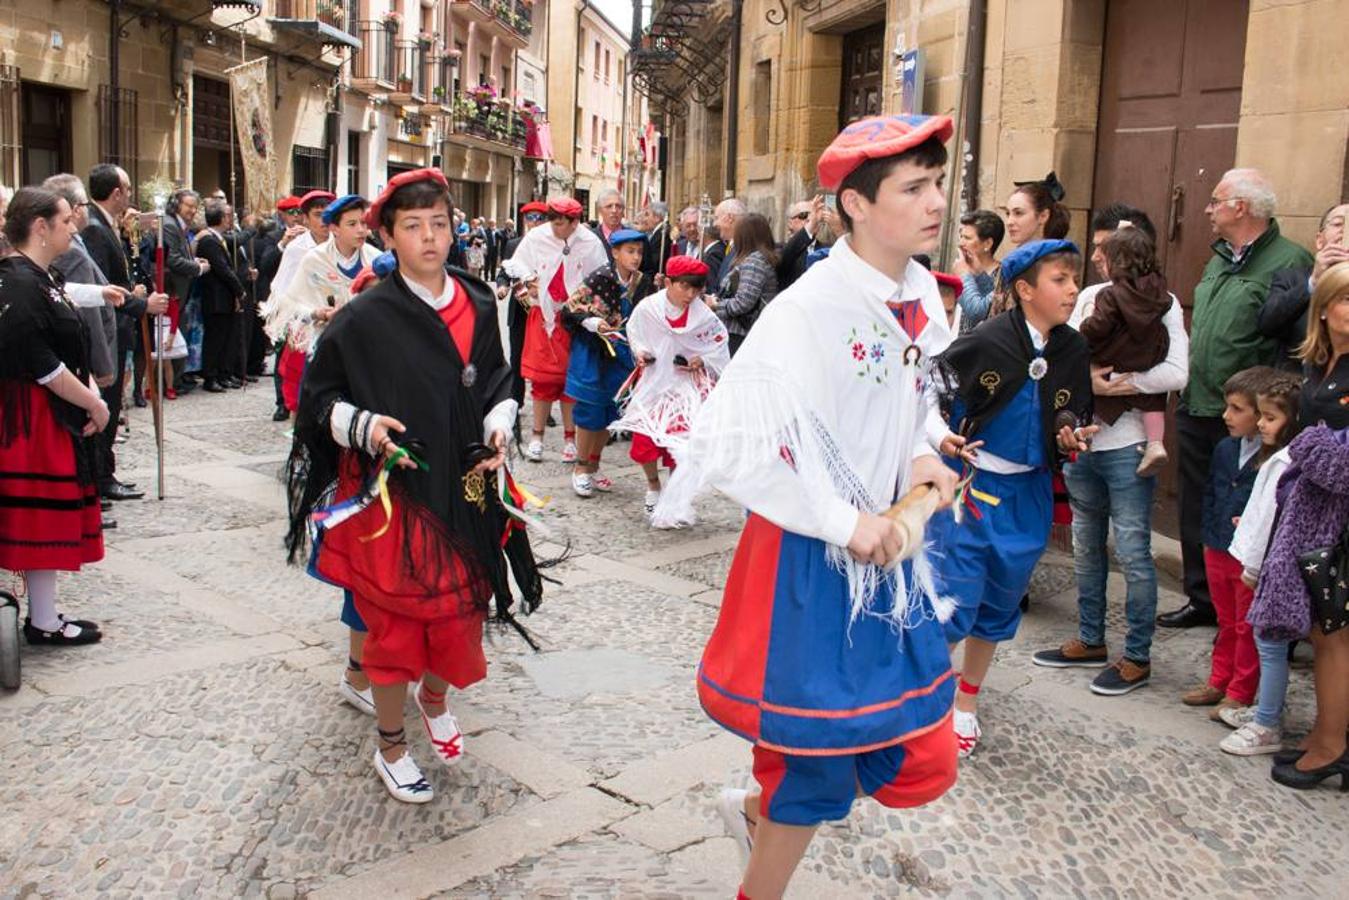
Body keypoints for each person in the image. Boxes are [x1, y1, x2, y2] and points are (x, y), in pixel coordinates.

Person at [655, 114, 963, 899]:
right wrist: (842, 522)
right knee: (812, 764)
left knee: (915, 752)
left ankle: (760, 816)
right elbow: (731, 445)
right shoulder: (806, 310)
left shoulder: (921, 288)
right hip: (808, 557)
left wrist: (923, 451)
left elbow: (910, 399)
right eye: (914, 187)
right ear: (854, 205)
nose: (936, 201)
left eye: (936, 182)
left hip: (888, 553)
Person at [286, 168, 543, 803]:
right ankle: (392, 745)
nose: (430, 237)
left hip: (468, 486)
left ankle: (435, 700)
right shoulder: (367, 315)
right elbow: (318, 402)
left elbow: (495, 378)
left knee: (459, 611)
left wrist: (500, 422)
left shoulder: (480, 299)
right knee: (399, 627)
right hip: (397, 495)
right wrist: (366, 426)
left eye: (440, 223)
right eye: (413, 226)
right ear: (390, 237)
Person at [926, 239, 1095, 757]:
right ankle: (923, 700)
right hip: (972, 491)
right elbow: (927, 392)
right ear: (1024, 290)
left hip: (1029, 495)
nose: (1071, 290)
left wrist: (1069, 432)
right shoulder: (986, 340)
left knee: (998, 607)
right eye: (1059, 280)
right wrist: (939, 438)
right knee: (954, 604)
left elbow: (1071, 408)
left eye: (1073, 279)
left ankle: (966, 702)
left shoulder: (1072, 349)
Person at [1031, 203, 1188, 694]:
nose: (1099, 257)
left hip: (1131, 443)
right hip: (1084, 440)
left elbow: (1177, 373)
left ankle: (1136, 657)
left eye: (1107, 249)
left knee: (1136, 554)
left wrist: (1117, 384)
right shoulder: (1090, 298)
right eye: (1098, 248)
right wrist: (1087, 381)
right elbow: (1060, 357)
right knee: (1085, 546)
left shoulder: (1166, 300)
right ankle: (1089, 638)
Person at [1162, 168, 1314, 630]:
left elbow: (1295, 342)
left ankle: (1243, 609)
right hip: (1199, 401)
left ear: (1241, 207)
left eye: (1215, 201)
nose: (1208, 210)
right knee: (1196, 505)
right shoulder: (1219, 258)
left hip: (1249, 415)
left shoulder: (1290, 261)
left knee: (1246, 510)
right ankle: (1201, 598)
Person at [1243, 263, 1349, 785]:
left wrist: (1303, 444)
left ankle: (1332, 747)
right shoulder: (1323, 363)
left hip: (1339, 521)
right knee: (1321, 629)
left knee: (1334, 635)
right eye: (1347, 299)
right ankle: (1327, 733)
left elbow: (1339, 462)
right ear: (1325, 308)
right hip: (1312, 515)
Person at [0, 187, 108, 646]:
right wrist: (93, 401)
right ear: (39, 226)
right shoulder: (22, 282)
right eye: (65, 220)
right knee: (34, 521)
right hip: (29, 419)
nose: (73, 226)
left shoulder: (40, 276)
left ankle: (44, 617)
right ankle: (42, 620)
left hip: (41, 415)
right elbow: (40, 361)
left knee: (40, 524)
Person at [1178, 366, 1277, 715]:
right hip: (1218, 546)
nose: (1226, 416)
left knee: (1246, 624)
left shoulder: (1272, 458)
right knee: (1225, 621)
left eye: (1237, 409)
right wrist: (1208, 536)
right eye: (1227, 407)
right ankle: (1218, 679)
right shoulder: (1224, 448)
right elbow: (1209, 494)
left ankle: (1240, 690)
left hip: (1248, 554)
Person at [1215, 372, 1301, 754]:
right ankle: (1264, 709)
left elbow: (1271, 517)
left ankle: (1266, 721)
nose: (1262, 424)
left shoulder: (1284, 463)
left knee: (1268, 643)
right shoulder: (1274, 459)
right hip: (1252, 557)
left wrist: (1251, 566)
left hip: (1263, 566)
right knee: (1264, 641)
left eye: (1270, 418)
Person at [613, 255, 729, 517]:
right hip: (655, 382)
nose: (690, 294)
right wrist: (641, 353)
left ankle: (677, 493)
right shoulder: (648, 309)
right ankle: (653, 484)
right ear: (668, 282)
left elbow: (718, 344)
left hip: (686, 388)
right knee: (645, 442)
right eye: (684, 287)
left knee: (683, 443)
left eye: (696, 288)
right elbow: (635, 334)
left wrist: (703, 359)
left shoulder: (703, 315)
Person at [509, 197, 609, 463]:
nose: (554, 227)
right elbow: (517, 264)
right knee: (542, 380)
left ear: (574, 222)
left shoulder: (589, 242)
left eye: (560, 223)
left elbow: (600, 277)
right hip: (543, 315)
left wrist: (585, 304)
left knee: (569, 381)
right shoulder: (537, 237)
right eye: (552, 221)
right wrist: (529, 279)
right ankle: (537, 437)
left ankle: (569, 439)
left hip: (573, 319)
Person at [561, 229, 653, 498]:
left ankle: (594, 464)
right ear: (615, 253)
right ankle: (580, 468)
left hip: (622, 353)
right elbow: (571, 308)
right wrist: (592, 322)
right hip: (594, 352)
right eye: (630, 251)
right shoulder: (601, 278)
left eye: (639, 252)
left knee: (611, 413)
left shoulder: (643, 282)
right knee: (590, 411)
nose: (635, 257)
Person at [1077, 224, 1173, 476]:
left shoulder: (1110, 294)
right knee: (1152, 398)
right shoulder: (1159, 291)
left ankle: (1086, 431)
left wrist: (1084, 328)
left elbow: (1100, 325)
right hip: (1147, 355)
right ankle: (1155, 443)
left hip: (1113, 356)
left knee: (1097, 387)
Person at [1258, 203, 1349, 372]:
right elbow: (1267, 324)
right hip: (1297, 383)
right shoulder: (1290, 278)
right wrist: (1314, 281)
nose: (1344, 231)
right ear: (1319, 240)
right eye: (1338, 224)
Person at [495, 201, 549, 418]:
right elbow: (504, 273)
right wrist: (501, 286)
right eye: (530, 218)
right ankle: (516, 402)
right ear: (525, 221)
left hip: (543, 312)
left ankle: (543, 405)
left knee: (542, 360)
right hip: (519, 311)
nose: (534, 223)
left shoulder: (551, 246)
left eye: (539, 218)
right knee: (516, 358)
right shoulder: (513, 244)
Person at [195, 199, 248, 393]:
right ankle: (210, 376)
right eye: (226, 216)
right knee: (214, 339)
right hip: (215, 297)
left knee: (225, 337)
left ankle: (221, 374)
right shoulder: (209, 240)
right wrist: (239, 289)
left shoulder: (219, 238)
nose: (229, 219)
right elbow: (222, 269)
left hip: (224, 297)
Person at [708, 212, 779, 356]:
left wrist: (715, 305)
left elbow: (743, 302)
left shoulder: (755, 262)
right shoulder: (752, 258)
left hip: (741, 333)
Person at [953, 209, 1003, 332]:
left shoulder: (1002, 275)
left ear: (988, 243)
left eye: (967, 238)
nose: (961, 243)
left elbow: (977, 313)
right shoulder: (964, 269)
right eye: (961, 236)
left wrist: (964, 275)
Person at [1004, 172, 1070, 246]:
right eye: (1008, 214)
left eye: (1018, 213)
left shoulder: (1054, 256)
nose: (1009, 222)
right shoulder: (1022, 255)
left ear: (1043, 216)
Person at [776, 196, 823, 291]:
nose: (811, 219)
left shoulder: (828, 250)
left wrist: (839, 230)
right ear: (790, 223)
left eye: (814, 215)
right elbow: (786, 255)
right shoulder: (779, 249)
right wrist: (809, 226)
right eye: (804, 215)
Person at [640, 201, 675, 279]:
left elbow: (654, 263)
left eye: (647, 215)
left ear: (657, 218)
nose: (644, 219)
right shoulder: (657, 233)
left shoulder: (663, 234)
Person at [591, 189, 626, 262]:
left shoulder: (635, 237)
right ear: (600, 211)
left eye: (618, 206)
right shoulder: (590, 237)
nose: (614, 210)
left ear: (623, 210)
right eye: (609, 206)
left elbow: (648, 271)